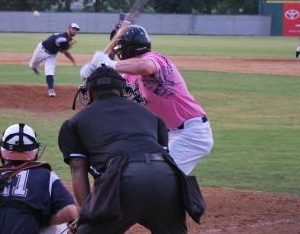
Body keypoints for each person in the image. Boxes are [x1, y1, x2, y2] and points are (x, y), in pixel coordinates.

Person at [58, 66, 198, 234]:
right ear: (124, 91)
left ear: (88, 93)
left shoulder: (74, 122)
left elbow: (78, 169)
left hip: (124, 182)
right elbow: (163, 155)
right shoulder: (152, 117)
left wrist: (87, 213)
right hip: (168, 178)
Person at [81, 24, 213, 175]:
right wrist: (95, 73)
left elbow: (146, 67)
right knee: (142, 171)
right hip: (164, 135)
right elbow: (109, 84)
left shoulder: (155, 58)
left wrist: (110, 64)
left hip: (191, 133)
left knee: (161, 177)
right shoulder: (129, 76)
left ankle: (185, 198)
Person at [28, 23, 80, 97]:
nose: (75, 31)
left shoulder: (68, 38)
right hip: (41, 50)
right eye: (73, 29)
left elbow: (62, 49)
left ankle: (51, 90)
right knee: (33, 65)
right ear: (69, 28)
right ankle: (34, 67)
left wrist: (69, 44)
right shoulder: (62, 38)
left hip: (52, 55)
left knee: (50, 71)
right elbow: (65, 52)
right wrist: (72, 60)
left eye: (76, 30)